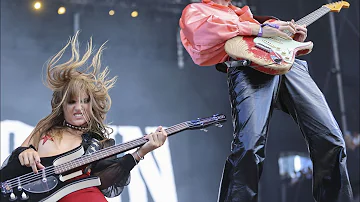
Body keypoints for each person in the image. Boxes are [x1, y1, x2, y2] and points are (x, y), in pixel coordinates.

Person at [179, 0, 353, 202]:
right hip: (248, 68)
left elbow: (273, 37)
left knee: (331, 139)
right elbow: (204, 33)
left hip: (288, 66)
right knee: (249, 146)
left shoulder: (242, 13)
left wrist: (291, 37)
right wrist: (259, 30)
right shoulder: (197, 10)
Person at [0, 32, 168, 201]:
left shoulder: (96, 142)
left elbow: (103, 181)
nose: (78, 108)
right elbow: (16, 160)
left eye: (85, 101)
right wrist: (26, 152)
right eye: (72, 102)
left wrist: (143, 151)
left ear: (92, 105)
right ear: (62, 106)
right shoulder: (45, 128)